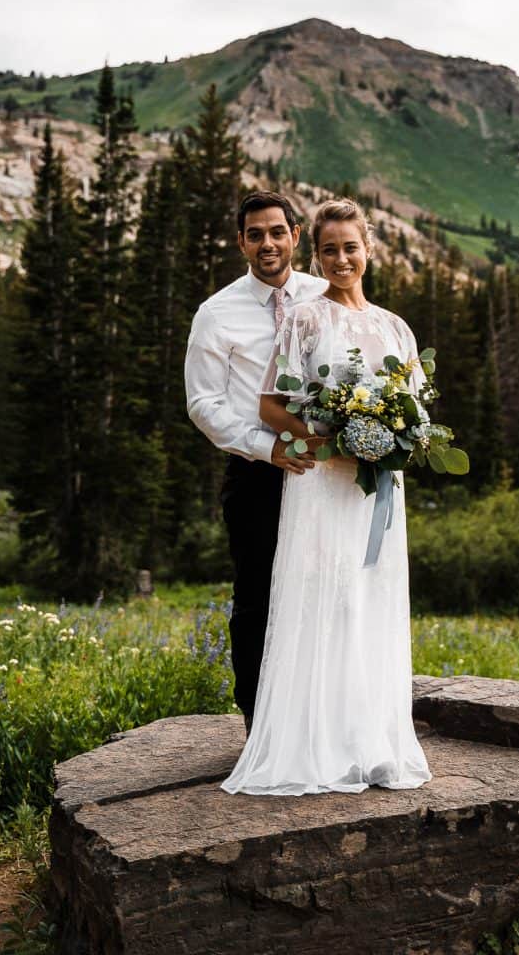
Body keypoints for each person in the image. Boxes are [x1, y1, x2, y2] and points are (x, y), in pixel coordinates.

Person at [221, 198, 432, 795]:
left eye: (351, 247)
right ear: (317, 255)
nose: (342, 259)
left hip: (377, 496)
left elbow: (415, 412)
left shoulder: (396, 328)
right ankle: (314, 744)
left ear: (369, 249)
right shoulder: (305, 321)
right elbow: (270, 406)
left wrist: (392, 438)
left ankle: (372, 743)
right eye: (331, 249)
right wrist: (331, 441)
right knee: (322, 605)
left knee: (370, 604)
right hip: (321, 487)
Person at [184, 191, 328, 737]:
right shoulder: (217, 312)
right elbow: (203, 403)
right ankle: (257, 723)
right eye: (254, 234)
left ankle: (318, 716)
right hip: (256, 474)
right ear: (241, 241)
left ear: (295, 235)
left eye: (276, 232)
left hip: (324, 473)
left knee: (323, 592)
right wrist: (267, 447)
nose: (266, 243)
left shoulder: (324, 295)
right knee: (257, 600)